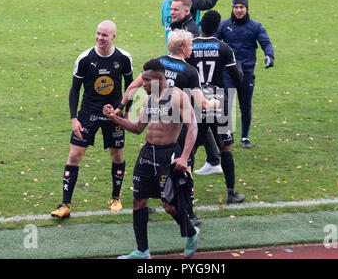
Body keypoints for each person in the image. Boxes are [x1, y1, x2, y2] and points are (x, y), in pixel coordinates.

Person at [118, 30, 217, 225]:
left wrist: (121, 108)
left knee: (158, 167)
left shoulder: (157, 64)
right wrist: (214, 103)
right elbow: (200, 103)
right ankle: (189, 213)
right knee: (184, 166)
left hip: (155, 118)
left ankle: (161, 199)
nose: (191, 48)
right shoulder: (189, 71)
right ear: (182, 48)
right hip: (176, 126)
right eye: (190, 45)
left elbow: (132, 87)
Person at [103, 58, 199, 259]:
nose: (143, 84)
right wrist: (115, 118)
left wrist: (184, 157)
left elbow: (193, 126)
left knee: (169, 206)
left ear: (160, 78)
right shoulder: (148, 99)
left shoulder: (177, 97)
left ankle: (191, 233)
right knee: (138, 200)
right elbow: (138, 128)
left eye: (146, 80)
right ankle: (142, 250)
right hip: (147, 154)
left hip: (168, 155)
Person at [50, 20, 133, 218]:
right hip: (87, 114)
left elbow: (131, 87)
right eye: (98, 33)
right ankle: (65, 204)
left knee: (117, 156)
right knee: (74, 156)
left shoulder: (124, 58)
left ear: (113, 36)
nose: (99, 38)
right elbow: (74, 90)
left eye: (104, 35)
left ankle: (115, 197)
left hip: (113, 115)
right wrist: (73, 118)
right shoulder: (85, 58)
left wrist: (125, 111)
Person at [187, 10, 245, 204]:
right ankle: (231, 193)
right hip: (218, 99)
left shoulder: (190, 46)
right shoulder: (224, 48)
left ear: (200, 25)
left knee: (191, 149)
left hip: (196, 100)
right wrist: (240, 71)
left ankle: (187, 193)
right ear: (217, 28)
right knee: (225, 148)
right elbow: (236, 78)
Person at [169, 0, 222, 176]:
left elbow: (193, 64)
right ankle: (213, 159)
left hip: (189, 87)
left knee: (193, 123)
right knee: (196, 122)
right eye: (171, 9)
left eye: (175, 9)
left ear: (186, 11)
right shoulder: (179, 26)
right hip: (185, 86)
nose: (172, 12)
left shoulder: (190, 32)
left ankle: (192, 163)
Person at [216, 0, 275, 148]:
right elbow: (214, 41)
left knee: (245, 105)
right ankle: (225, 135)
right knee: (225, 103)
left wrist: (269, 56)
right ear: (232, 8)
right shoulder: (224, 25)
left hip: (246, 72)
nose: (239, 10)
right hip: (227, 72)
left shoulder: (256, 26)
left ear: (247, 8)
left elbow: (266, 42)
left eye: (242, 7)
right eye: (236, 7)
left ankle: (244, 137)